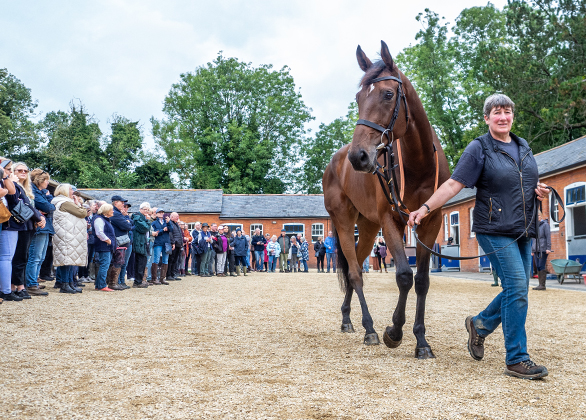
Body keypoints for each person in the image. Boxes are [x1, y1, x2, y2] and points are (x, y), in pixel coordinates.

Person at [407, 93, 549, 380]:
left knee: (516, 289)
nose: (502, 116)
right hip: (494, 230)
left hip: (523, 229)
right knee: (518, 288)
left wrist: (539, 191)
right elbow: (453, 184)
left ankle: (480, 324)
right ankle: (517, 359)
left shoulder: (524, 148)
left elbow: (522, 182)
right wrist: (424, 207)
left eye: (507, 111)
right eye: (496, 112)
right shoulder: (479, 148)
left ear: (512, 116)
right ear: (487, 118)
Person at [9, 162, 45, 299]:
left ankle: (19, 285)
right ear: (13, 172)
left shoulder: (27, 189)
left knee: (24, 257)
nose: (23, 172)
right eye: (19, 170)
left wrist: (39, 218)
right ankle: (16, 286)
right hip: (18, 224)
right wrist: (39, 216)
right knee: (18, 257)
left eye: (25, 170)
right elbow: (24, 205)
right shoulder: (15, 187)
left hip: (29, 225)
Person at [52, 183, 88, 294]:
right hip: (67, 234)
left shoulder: (60, 201)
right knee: (66, 261)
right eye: (71, 189)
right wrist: (78, 204)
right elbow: (82, 213)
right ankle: (65, 284)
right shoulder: (65, 202)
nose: (73, 192)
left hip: (68, 233)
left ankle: (70, 283)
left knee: (68, 260)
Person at [25, 168, 54, 296]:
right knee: (35, 256)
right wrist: (48, 200)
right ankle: (30, 283)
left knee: (40, 257)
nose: (47, 182)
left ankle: (34, 281)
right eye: (46, 180)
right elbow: (48, 207)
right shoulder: (34, 192)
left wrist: (48, 201)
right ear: (40, 180)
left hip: (46, 227)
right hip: (39, 227)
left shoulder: (41, 193)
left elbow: (50, 208)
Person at [0, 158, 25, 302]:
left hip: (6, 220)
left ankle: (5, 289)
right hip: (6, 221)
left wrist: (5, 177)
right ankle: (6, 290)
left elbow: (11, 191)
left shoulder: (4, 178)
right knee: (6, 257)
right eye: (9, 169)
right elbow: (10, 194)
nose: (10, 171)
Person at [110, 195, 133, 289]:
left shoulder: (119, 213)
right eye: (122, 202)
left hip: (122, 241)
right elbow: (127, 226)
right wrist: (127, 221)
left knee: (122, 262)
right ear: (116, 202)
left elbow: (130, 224)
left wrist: (127, 219)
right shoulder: (116, 213)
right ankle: (114, 283)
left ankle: (119, 282)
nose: (123, 205)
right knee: (118, 262)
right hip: (118, 241)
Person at [92, 203, 116, 291]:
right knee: (104, 265)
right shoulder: (99, 219)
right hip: (104, 245)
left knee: (105, 265)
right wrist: (108, 240)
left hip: (107, 246)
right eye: (111, 210)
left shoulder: (105, 219)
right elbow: (99, 232)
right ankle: (102, 285)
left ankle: (99, 285)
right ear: (106, 211)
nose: (113, 211)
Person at [131, 202, 151, 288]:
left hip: (143, 242)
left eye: (148, 209)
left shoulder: (142, 217)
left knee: (143, 262)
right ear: (140, 209)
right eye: (145, 209)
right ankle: (137, 282)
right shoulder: (137, 217)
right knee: (140, 262)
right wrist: (148, 220)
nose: (146, 211)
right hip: (139, 242)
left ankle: (140, 280)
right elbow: (145, 228)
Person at [150, 209, 172, 285]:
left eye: (162, 212)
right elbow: (155, 232)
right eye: (159, 212)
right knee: (156, 260)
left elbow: (171, 229)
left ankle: (162, 278)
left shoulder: (167, 222)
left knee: (165, 260)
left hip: (166, 243)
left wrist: (169, 223)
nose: (161, 214)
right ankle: (154, 278)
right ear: (156, 214)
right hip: (158, 243)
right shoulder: (154, 223)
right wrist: (162, 230)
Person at [532, 212, 552, 291]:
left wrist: (548, 248)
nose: (538, 217)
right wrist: (532, 249)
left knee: (541, 265)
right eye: (536, 216)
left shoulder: (545, 225)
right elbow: (533, 239)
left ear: (541, 216)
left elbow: (548, 237)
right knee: (538, 266)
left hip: (543, 249)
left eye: (539, 215)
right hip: (536, 249)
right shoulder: (534, 226)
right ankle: (540, 284)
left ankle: (542, 285)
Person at [167, 212, 183, 281]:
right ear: (172, 217)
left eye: (178, 216)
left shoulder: (176, 224)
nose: (178, 217)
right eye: (176, 216)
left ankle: (173, 274)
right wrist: (173, 243)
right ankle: (169, 275)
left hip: (178, 245)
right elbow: (170, 234)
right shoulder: (170, 223)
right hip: (174, 245)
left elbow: (179, 235)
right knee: (171, 260)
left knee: (175, 261)